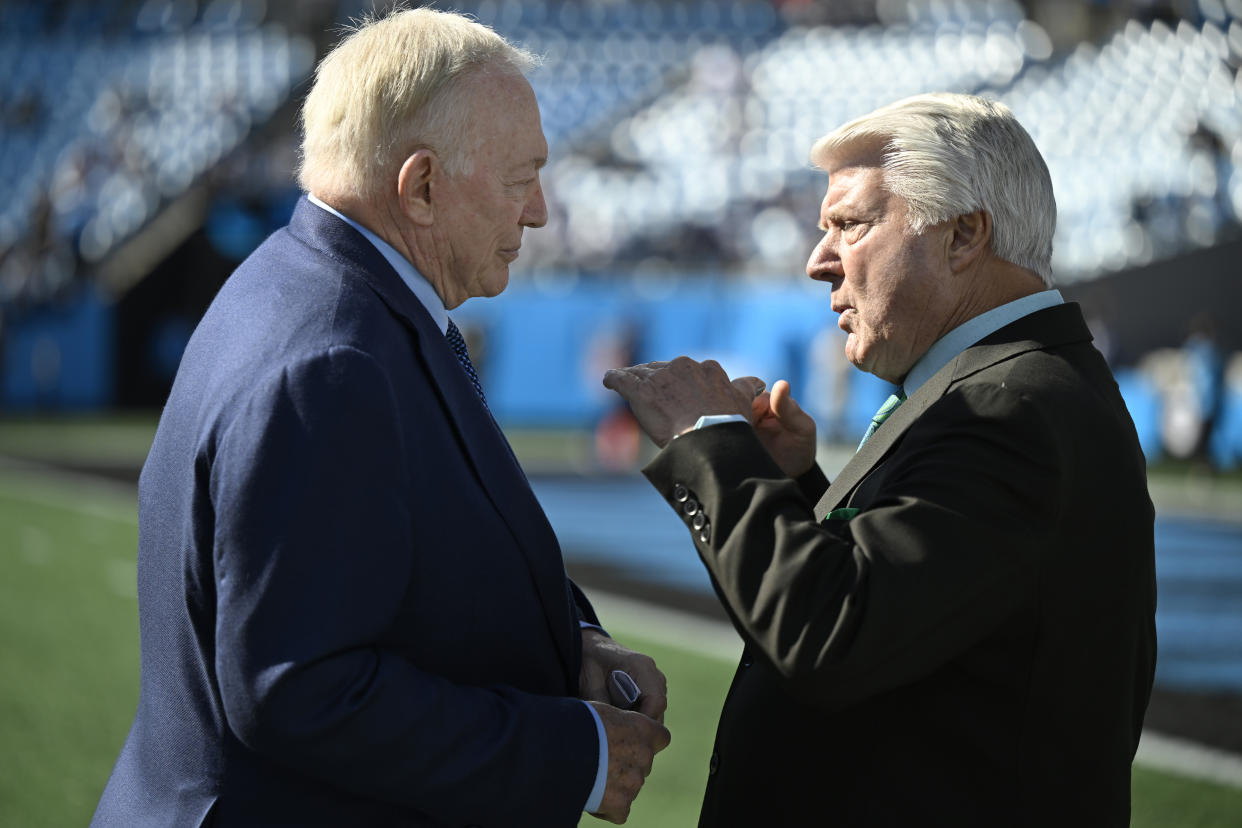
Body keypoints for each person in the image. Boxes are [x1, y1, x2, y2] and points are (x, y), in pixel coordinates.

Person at [92, 9, 669, 827]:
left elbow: (422, 557)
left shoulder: (317, 292)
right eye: (519, 179)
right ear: (422, 186)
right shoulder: (334, 360)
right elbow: (298, 687)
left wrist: (568, 643)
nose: (537, 212)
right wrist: (577, 752)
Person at [604, 93, 1156, 827]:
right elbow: (912, 617)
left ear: (964, 236)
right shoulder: (1006, 388)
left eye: (850, 225)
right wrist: (795, 485)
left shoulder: (1009, 407)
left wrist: (707, 441)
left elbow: (831, 636)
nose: (816, 261)